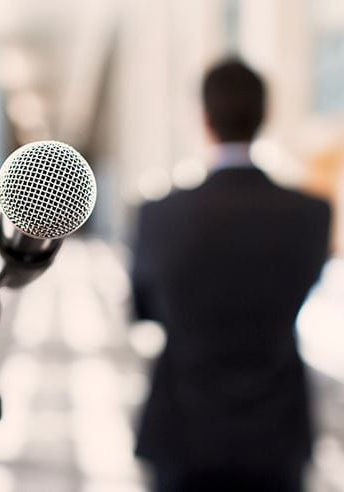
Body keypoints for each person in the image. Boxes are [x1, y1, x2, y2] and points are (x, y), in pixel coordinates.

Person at [131, 59, 331, 492]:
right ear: (266, 117)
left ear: (204, 119)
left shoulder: (159, 216)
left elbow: (143, 309)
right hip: (276, 432)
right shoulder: (313, 215)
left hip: (183, 430)